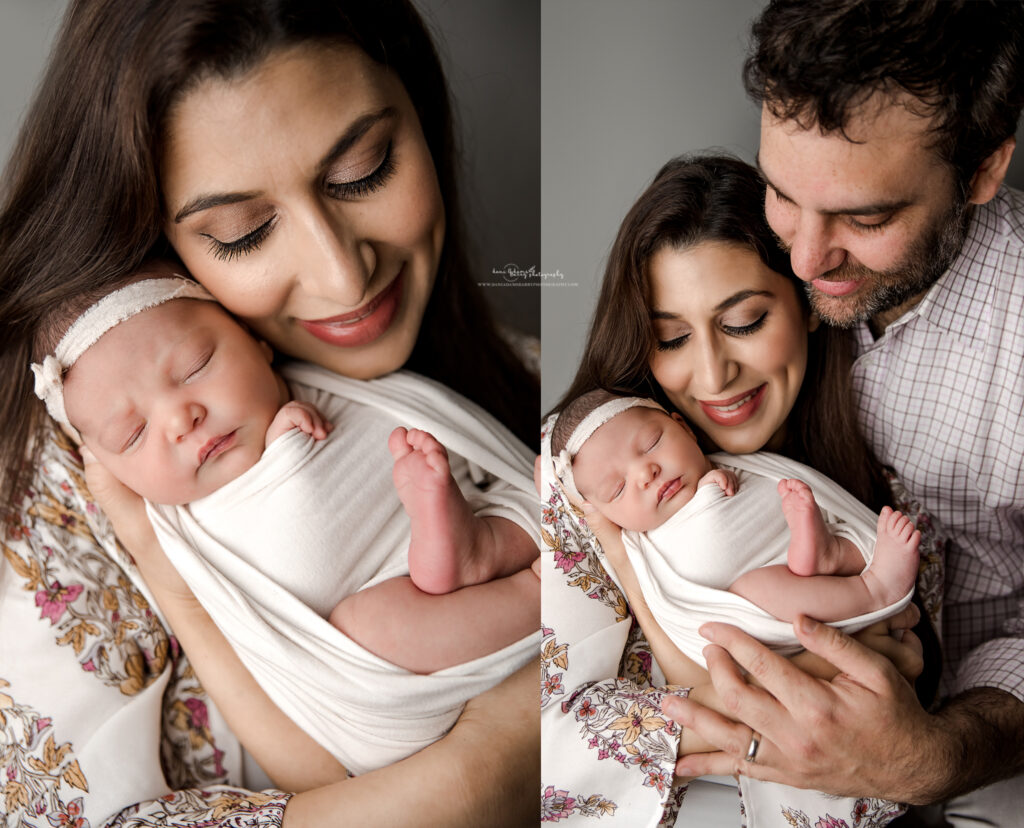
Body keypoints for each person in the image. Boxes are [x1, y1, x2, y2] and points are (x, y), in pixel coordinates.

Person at [0, 1, 539, 825]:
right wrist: (480, 771)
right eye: (245, 233)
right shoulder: (69, 478)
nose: (341, 276)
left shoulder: (542, 383)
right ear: (152, 243)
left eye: (363, 171)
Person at [661, 3, 1024, 825]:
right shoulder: (743, 257)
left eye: (866, 219)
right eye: (782, 194)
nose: (802, 258)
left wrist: (936, 755)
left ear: (982, 169)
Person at [540, 153, 931, 827]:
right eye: (671, 337)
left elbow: (911, 701)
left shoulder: (880, 477)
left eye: (744, 322)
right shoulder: (583, 475)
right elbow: (539, 738)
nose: (714, 374)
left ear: (809, 304)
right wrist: (802, 681)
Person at [35, 268, 538, 696]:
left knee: (530, 502)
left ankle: (481, 548)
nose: (180, 420)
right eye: (133, 434)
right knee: (373, 626)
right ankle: (537, 592)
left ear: (257, 342)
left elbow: (469, 453)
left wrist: (285, 436)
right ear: (108, 468)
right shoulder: (186, 539)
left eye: (195, 367)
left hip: (482, 515)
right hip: (403, 624)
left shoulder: (326, 392)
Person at [552, 391, 918, 638]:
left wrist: (715, 479)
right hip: (763, 592)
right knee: (755, 588)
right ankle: (873, 590)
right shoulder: (643, 548)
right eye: (617, 488)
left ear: (682, 426)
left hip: (791, 537)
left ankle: (834, 554)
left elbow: (734, 488)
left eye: (651, 444)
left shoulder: (726, 470)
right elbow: (679, 619)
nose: (645, 473)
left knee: (809, 515)